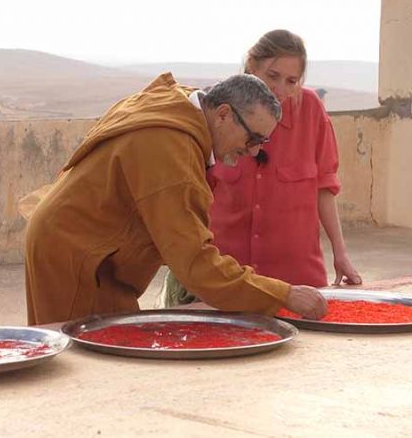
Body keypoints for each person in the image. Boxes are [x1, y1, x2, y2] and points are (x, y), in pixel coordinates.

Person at [23, 72, 327, 325]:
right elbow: (194, 262)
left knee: (115, 341)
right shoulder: (170, 152)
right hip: (77, 253)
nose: (254, 152)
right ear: (223, 114)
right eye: (252, 139)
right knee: (83, 357)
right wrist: (283, 294)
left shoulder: (183, 105)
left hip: (95, 246)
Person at [162, 30, 361, 308]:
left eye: (291, 81)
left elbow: (324, 188)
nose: (280, 89)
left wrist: (340, 253)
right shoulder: (221, 112)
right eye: (272, 76)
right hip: (228, 279)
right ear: (251, 66)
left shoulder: (312, 111)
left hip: (297, 277)